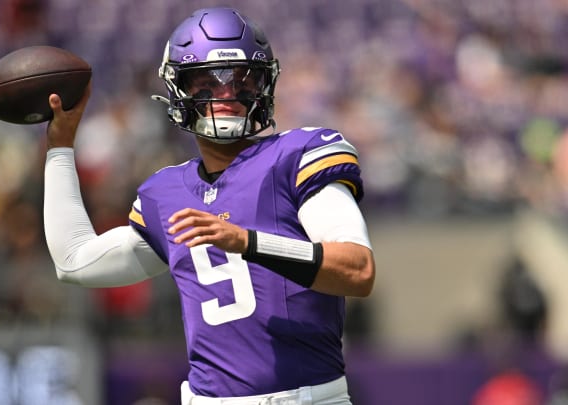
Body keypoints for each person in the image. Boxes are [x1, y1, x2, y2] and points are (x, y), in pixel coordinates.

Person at [43, 6, 375, 404]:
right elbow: (75, 261)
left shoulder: (298, 155)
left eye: (242, 81)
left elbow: (358, 270)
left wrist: (248, 242)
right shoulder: (164, 192)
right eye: (206, 84)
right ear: (179, 91)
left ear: (264, 86)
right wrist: (59, 149)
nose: (226, 96)